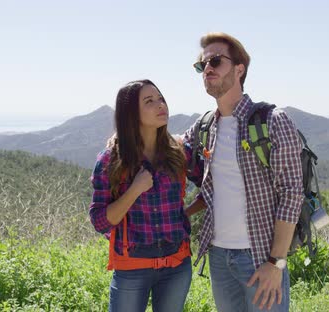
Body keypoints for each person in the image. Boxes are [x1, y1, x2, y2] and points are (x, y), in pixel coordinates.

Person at [184, 32, 304, 311]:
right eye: (203, 65)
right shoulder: (205, 127)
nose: (208, 69)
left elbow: (291, 195)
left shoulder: (273, 121)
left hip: (261, 255)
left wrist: (276, 263)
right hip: (218, 256)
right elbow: (171, 148)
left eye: (215, 61)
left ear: (239, 69)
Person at [89, 79, 201, 312]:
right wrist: (134, 190)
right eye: (149, 101)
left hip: (177, 265)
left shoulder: (179, 152)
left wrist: (185, 214)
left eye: (161, 98)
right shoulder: (111, 160)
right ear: (131, 114)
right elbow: (100, 221)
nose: (161, 105)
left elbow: (211, 184)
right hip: (132, 268)